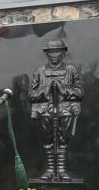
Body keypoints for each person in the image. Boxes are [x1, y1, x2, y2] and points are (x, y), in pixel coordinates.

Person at [29, 39, 82, 181]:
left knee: (63, 140)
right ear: (47, 53)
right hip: (45, 110)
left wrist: (64, 89)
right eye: (51, 51)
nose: (54, 55)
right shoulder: (39, 71)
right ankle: (50, 169)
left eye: (57, 51)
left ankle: (62, 170)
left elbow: (79, 92)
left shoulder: (71, 70)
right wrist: (45, 90)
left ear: (63, 53)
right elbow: (31, 95)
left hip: (66, 109)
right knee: (47, 140)